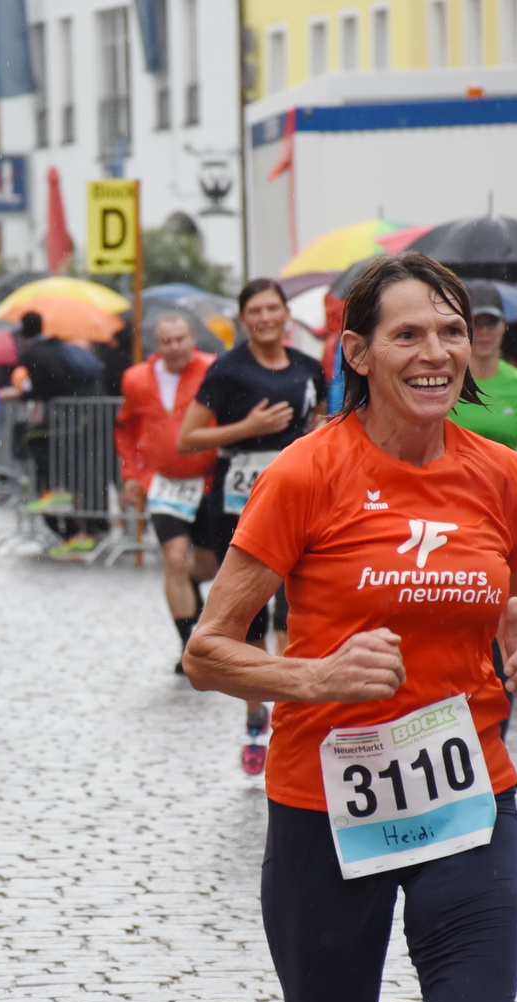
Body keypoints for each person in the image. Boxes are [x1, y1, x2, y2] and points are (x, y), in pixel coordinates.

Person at [184, 251, 517, 1002]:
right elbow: (209, 650)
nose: (436, 351)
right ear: (359, 352)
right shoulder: (306, 473)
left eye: (451, 331)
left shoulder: (509, 479)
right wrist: (313, 677)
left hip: (469, 795)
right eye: (409, 333)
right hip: (325, 807)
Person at [177, 278, 325, 775]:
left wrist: (315, 436)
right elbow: (188, 438)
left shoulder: (308, 368)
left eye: (272, 308)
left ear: (286, 315)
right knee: (252, 617)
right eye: (255, 311)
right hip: (237, 505)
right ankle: (255, 717)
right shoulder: (228, 369)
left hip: (298, 502)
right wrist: (248, 430)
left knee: (296, 610)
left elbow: (323, 424)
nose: (264, 318)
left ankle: (289, 713)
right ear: (243, 320)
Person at [114, 312, 217, 672]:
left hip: (207, 481)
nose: (174, 348)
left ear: (193, 339)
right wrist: (131, 473)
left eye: (180, 340)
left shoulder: (213, 369)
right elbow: (126, 428)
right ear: (156, 345)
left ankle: (191, 584)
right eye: (166, 341)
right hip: (163, 483)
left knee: (209, 564)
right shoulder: (136, 379)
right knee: (173, 557)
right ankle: (191, 649)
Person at [10, 311, 106, 556]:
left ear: (23, 331)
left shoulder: (34, 353)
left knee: (34, 439)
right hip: (87, 407)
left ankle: (57, 489)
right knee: (76, 460)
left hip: (77, 410)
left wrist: (26, 394)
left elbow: (52, 384)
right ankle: (65, 496)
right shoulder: (55, 345)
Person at [447, 282, 517, 468]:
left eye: (491, 323)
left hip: (509, 492)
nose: (484, 332)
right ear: (463, 328)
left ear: (503, 325)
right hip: (452, 491)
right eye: (476, 324)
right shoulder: (442, 382)